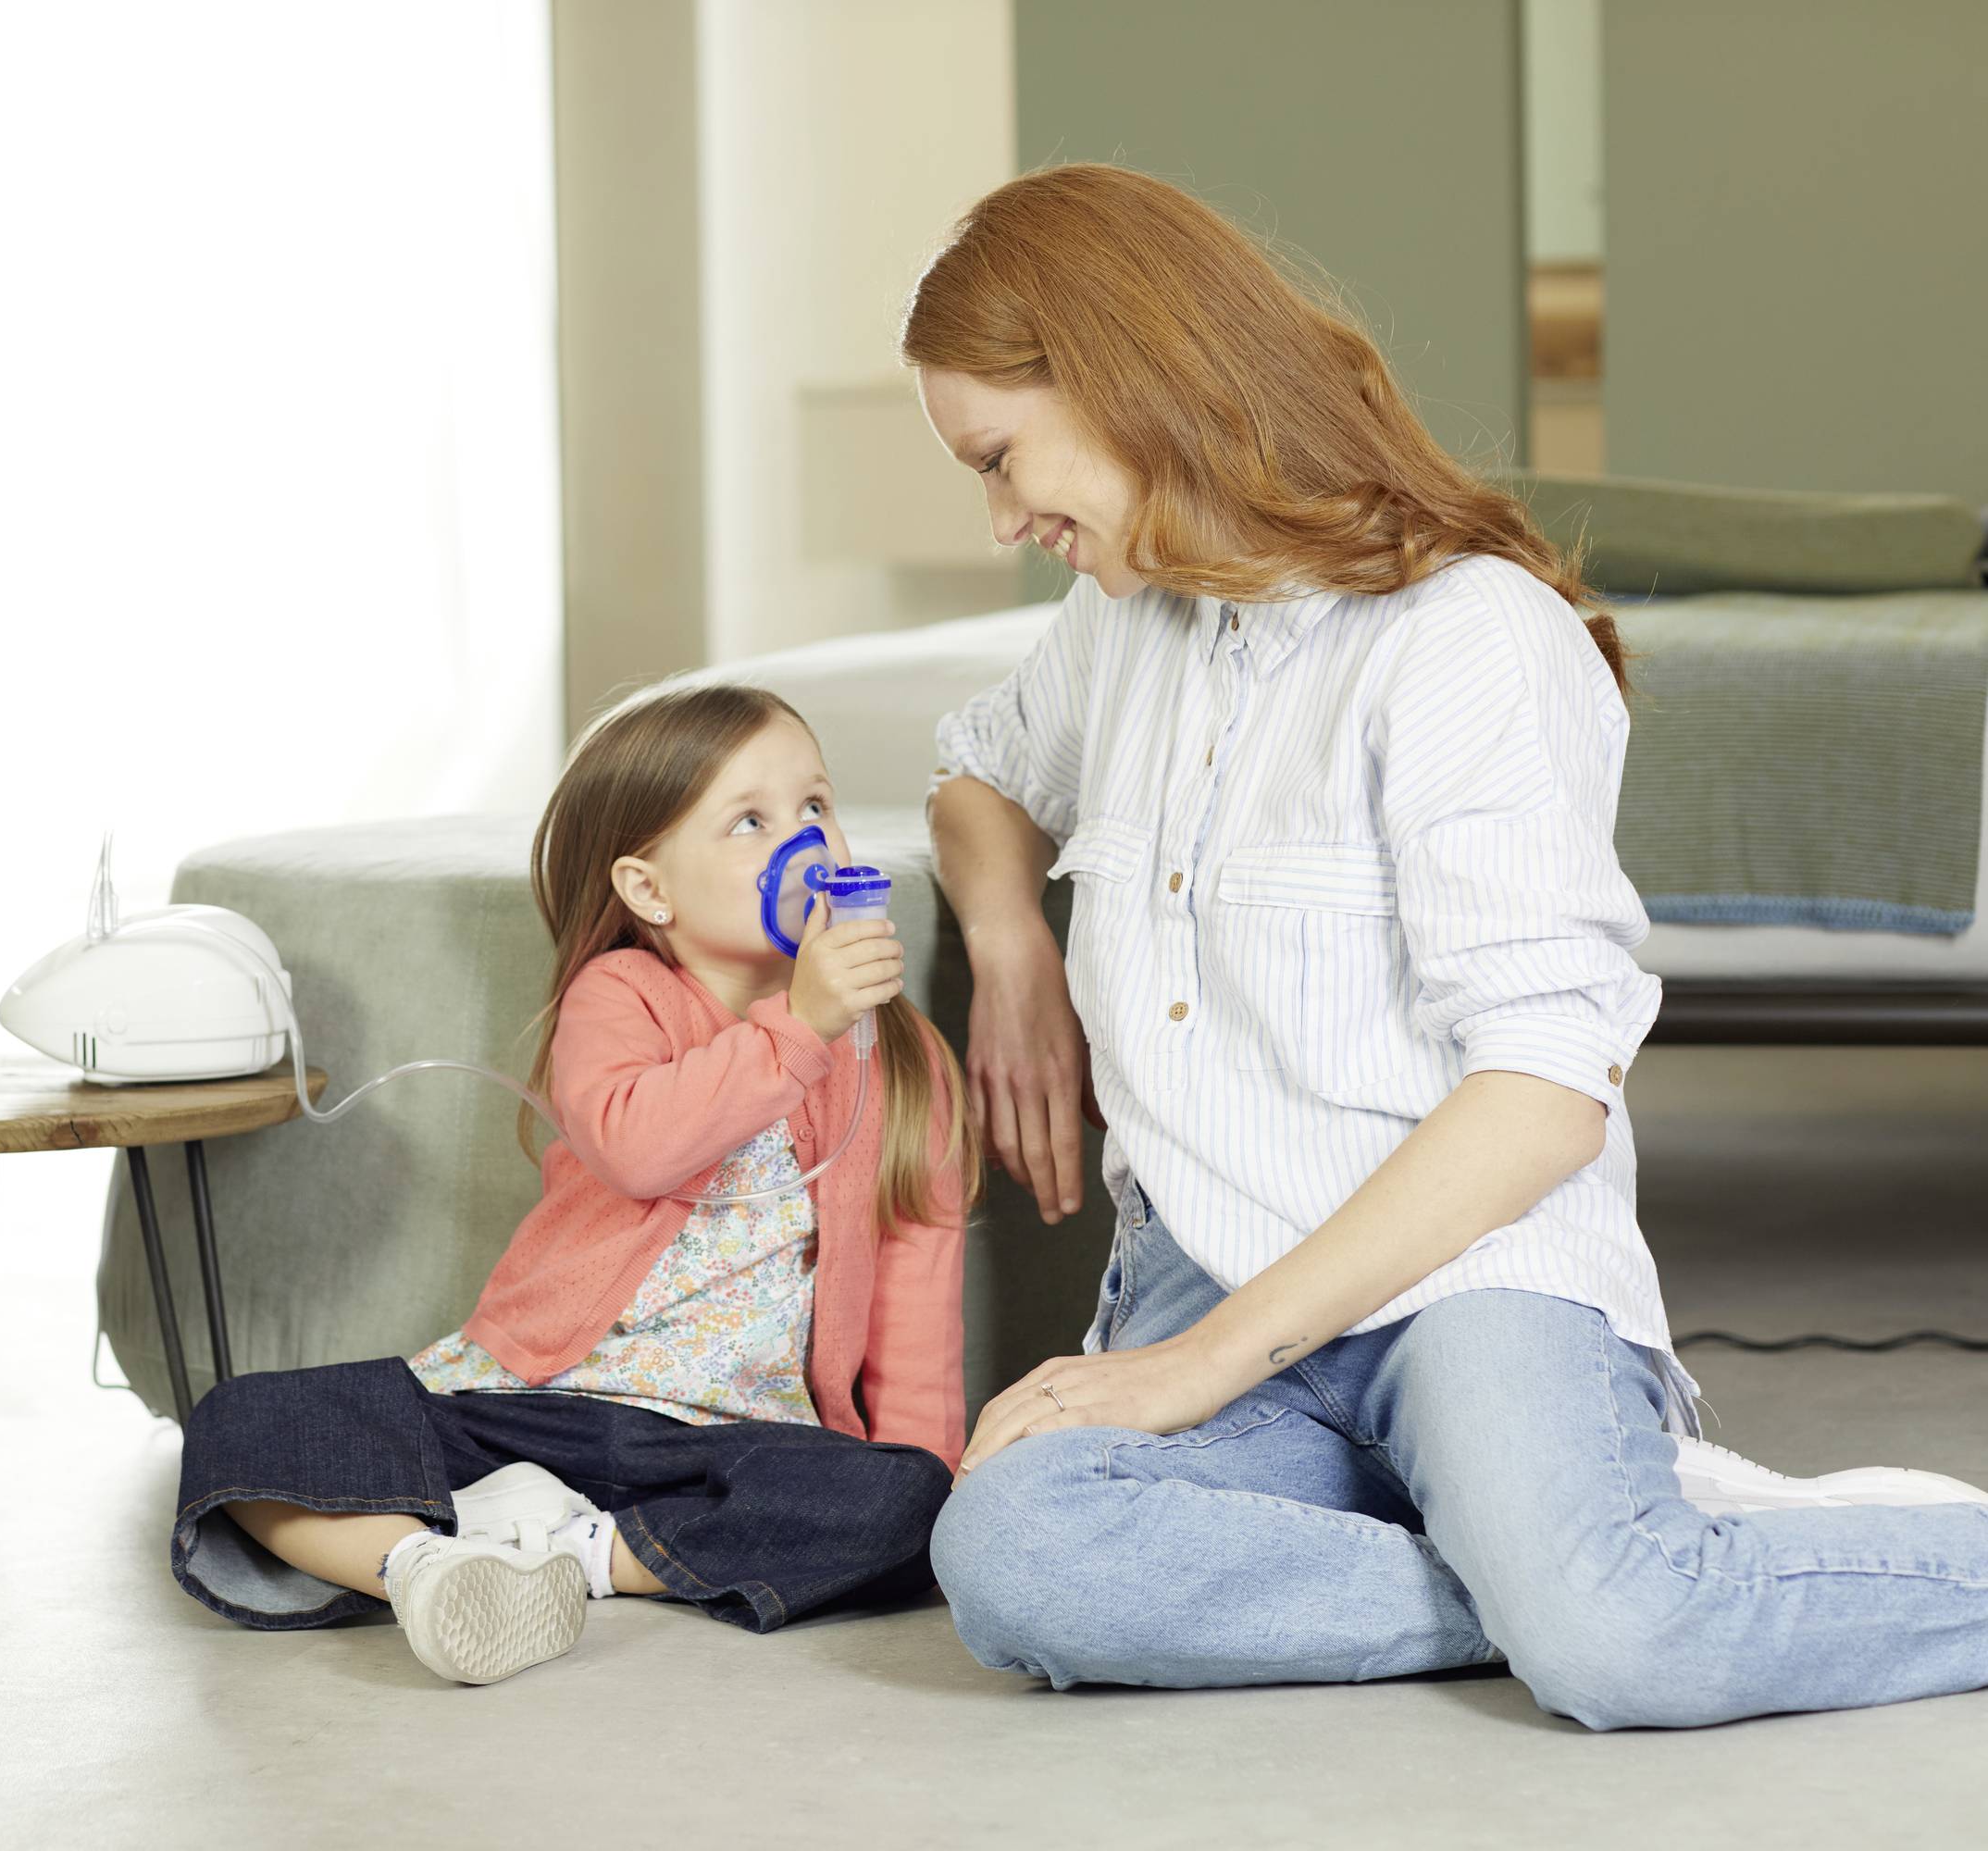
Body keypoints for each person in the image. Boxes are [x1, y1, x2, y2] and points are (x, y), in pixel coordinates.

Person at [908, 163, 1988, 1730]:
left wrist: (1196, 1368)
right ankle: (1561, 1573)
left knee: (1619, 1649)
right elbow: (979, 772)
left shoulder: (1465, 636)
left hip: (1467, 1280)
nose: (1006, 521)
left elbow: (1546, 1091)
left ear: (1123, 374)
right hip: (1208, 1263)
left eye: (1002, 459)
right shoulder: (1125, 624)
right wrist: (1011, 947)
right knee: (1018, 1552)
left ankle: (1596, 1584)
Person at [168, 684, 984, 1685]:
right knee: (245, 1421)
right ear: (649, 888)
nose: (806, 840)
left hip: (729, 1442)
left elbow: (916, 1296)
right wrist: (800, 1026)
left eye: (815, 804)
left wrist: (924, 1482)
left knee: (905, 1502)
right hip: (533, 1403)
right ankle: (423, 1567)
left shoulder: (900, 1059)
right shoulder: (621, 998)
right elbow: (639, 1145)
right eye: (751, 821)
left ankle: (574, 1556)